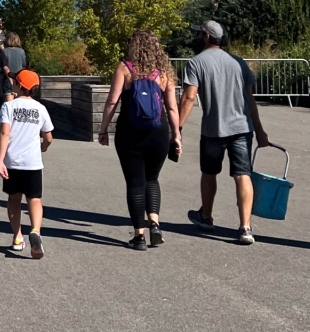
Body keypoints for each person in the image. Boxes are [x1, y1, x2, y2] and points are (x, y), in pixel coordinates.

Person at [178, 20, 270, 245]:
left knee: (209, 172)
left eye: (200, 33)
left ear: (207, 37)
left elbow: (189, 98)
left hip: (214, 129)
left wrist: (176, 128)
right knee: (243, 174)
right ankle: (245, 227)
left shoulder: (196, 63)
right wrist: (259, 130)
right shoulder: (238, 63)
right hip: (242, 128)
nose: (198, 36)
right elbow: (250, 100)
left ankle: (206, 216)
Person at [97, 30, 182, 250]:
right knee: (152, 179)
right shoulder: (164, 71)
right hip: (158, 132)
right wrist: (177, 135)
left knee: (135, 182)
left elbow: (112, 101)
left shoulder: (125, 68)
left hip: (129, 132)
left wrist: (103, 130)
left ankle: (139, 236)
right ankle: (154, 223)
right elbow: (172, 108)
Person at [0, 69, 53, 258]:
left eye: (14, 81)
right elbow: (48, 136)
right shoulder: (40, 108)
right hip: (33, 162)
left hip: (12, 161)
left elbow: (4, 133)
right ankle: (35, 230)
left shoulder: (9, 106)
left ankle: (17, 237)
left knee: (14, 199)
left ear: (19, 86)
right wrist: (44, 146)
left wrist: (0, 160)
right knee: (34, 199)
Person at [3, 32, 27, 100]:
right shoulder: (21, 51)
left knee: (9, 104)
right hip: (19, 80)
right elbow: (24, 65)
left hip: (7, 79)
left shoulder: (4, 51)